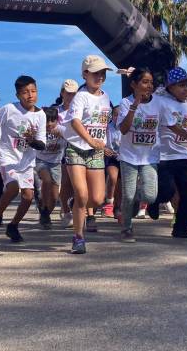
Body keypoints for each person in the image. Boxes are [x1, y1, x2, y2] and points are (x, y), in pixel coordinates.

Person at [0, 76, 46, 243]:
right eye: (25, 92)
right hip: (7, 157)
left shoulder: (40, 115)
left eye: (33, 91)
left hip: (26, 161)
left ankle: (13, 226)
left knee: (28, 197)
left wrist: (31, 141)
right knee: (12, 188)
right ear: (18, 94)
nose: (30, 95)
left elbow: (42, 144)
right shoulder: (8, 109)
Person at [63, 55, 112, 254]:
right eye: (95, 73)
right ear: (85, 74)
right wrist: (90, 140)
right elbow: (75, 121)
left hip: (96, 152)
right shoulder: (81, 96)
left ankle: (76, 204)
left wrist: (103, 144)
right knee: (82, 194)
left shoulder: (106, 97)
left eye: (102, 73)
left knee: (98, 199)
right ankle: (78, 238)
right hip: (76, 149)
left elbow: (103, 124)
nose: (99, 77)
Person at [150, 67, 187, 238]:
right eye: (181, 85)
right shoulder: (161, 102)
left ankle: (182, 228)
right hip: (163, 156)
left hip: (182, 156)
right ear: (170, 87)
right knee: (166, 191)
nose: (185, 89)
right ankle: (153, 201)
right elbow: (174, 126)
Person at [116, 68, 161, 242]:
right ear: (134, 84)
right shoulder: (125, 103)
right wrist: (135, 105)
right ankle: (127, 228)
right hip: (129, 157)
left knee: (150, 196)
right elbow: (124, 129)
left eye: (150, 82)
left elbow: (171, 123)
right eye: (144, 82)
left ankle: (135, 201)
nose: (149, 86)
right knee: (127, 195)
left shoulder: (159, 103)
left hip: (150, 157)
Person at [36, 106, 65, 229]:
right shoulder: (39, 130)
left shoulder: (62, 130)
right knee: (46, 180)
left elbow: (74, 138)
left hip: (56, 163)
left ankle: (45, 213)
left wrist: (64, 136)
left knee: (54, 197)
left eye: (52, 121)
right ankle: (42, 205)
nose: (49, 124)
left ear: (57, 120)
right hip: (40, 160)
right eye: (46, 121)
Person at [55, 79, 78, 228]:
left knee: (77, 184)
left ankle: (76, 206)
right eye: (68, 93)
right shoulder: (56, 111)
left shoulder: (79, 109)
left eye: (73, 94)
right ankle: (65, 210)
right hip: (62, 151)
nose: (70, 96)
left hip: (79, 149)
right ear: (62, 93)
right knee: (66, 183)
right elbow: (54, 129)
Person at [104, 104, 121, 220]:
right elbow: (102, 140)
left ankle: (118, 207)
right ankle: (109, 202)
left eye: (121, 115)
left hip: (125, 158)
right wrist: (105, 149)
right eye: (115, 115)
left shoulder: (128, 126)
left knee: (121, 183)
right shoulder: (107, 127)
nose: (118, 117)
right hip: (111, 157)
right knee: (113, 177)